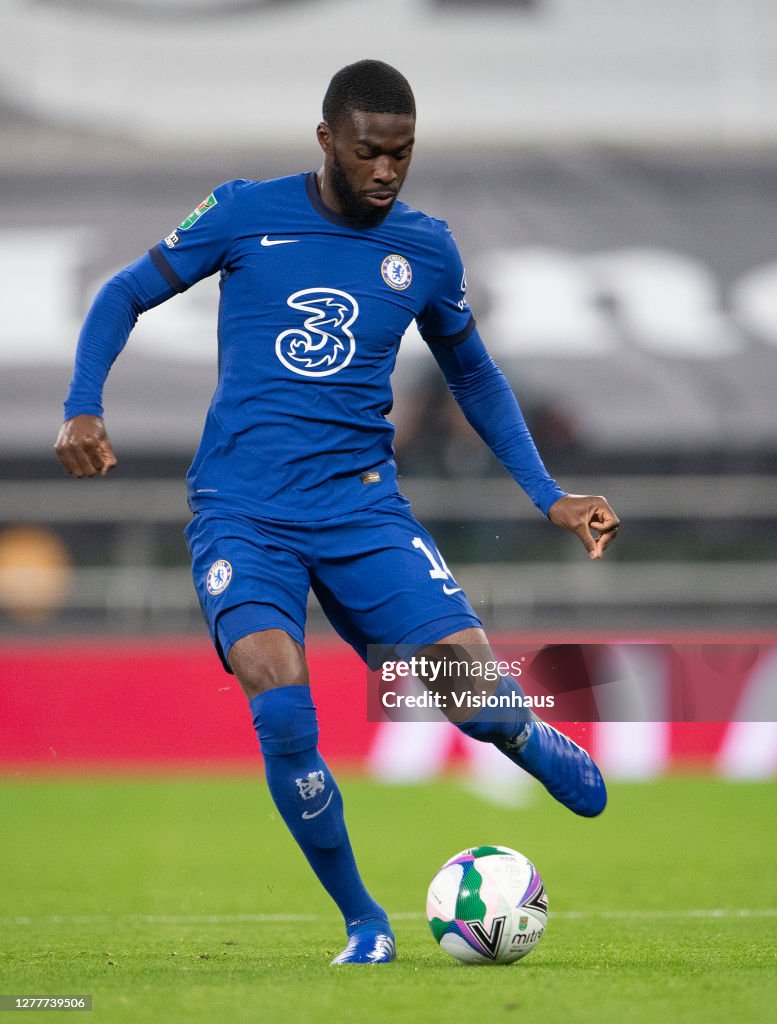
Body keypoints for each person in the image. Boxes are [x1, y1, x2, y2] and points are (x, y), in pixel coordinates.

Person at [55, 59, 620, 966]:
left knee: (464, 696)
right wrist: (84, 403)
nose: (386, 171)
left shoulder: (426, 250)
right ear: (327, 141)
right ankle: (364, 920)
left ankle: (515, 727)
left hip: (360, 508)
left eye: (402, 154)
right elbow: (125, 292)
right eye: (369, 153)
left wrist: (549, 495)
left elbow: (473, 374)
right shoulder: (244, 213)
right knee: (281, 704)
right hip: (242, 510)